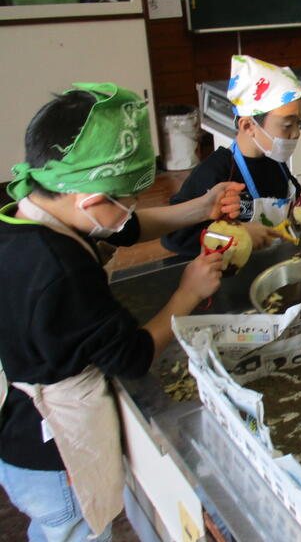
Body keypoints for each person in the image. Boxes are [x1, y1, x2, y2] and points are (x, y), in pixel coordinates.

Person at [0, 83, 240, 540]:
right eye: (129, 201)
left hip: (18, 431)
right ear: (91, 201)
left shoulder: (27, 214)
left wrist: (200, 208)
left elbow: (121, 228)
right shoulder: (62, 271)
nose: (133, 211)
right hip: (55, 458)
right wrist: (187, 293)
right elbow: (132, 356)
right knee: (74, 530)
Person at [163, 55, 301, 257]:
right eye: (287, 125)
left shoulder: (276, 164)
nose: (296, 133)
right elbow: (174, 237)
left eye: (298, 122)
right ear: (248, 126)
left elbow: (289, 218)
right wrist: (235, 234)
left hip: (274, 261)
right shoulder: (214, 173)